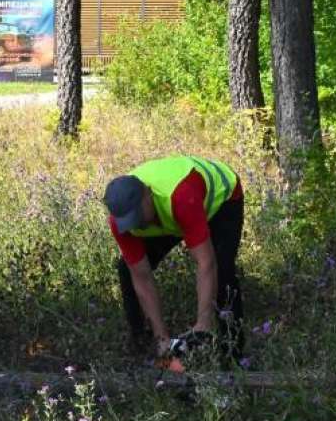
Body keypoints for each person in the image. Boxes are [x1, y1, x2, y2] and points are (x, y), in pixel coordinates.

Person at [103, 155, 245, 363]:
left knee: (222, 273)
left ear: (148, 196)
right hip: (171, 213)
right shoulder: (122, 222)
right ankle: (142, 344)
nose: (136, 225)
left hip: (222, 200)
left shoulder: (181, 196)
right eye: (129, 221)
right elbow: (142, 277)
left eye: (138, 217)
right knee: (127, 270)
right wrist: (162, 339)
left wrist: (203, 323)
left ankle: (233, 355)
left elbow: (205, 263)